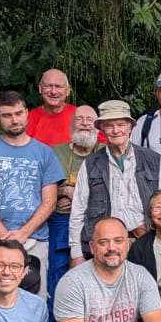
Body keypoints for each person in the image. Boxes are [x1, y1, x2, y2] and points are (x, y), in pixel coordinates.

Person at [0, 91, 64, 294]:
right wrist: (5, 236)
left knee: (34, 302)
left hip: (34, 240)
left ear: (27, 113)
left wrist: (23, 233)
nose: (14, 120)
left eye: (18, 113)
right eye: (7, 115)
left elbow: (50, 201)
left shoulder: (45, 153)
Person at [69, 100, 161, 261]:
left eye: (121, 125)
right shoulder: (91, 164)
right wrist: (76, 253)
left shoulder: (152, 160)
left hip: (145, 241)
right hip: (104, 246)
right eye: (109, 126)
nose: (115, 130)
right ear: (102, 129)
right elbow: (78, 210)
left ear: (130, 127)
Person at [47, 104, 101, 304]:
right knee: (58, 275)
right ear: (71, 125)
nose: (85, 124)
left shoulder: (105, 153)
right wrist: (61, 191)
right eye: (79, 119)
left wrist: (76, 194)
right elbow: (42, 188)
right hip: (60, 219)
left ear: (98, 126)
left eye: (90, 120)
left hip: (95, 221)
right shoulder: (54, 153)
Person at [25, 67, 75, 145]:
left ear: (68, 91)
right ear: (40, 88)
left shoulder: (80, 116)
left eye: (58, 86)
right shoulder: (28, 119)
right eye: (48, 86)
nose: (53, 92)